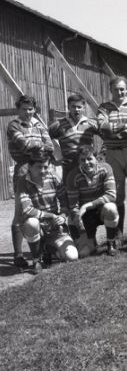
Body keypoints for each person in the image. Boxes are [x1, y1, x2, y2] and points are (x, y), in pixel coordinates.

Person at [96, 76, 127, 245]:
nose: (119, 92)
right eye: (116, 89)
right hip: (113, 154)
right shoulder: (104, 107)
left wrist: (115, 132)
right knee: (116, 195)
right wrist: (125, 126)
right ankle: (118, 235)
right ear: (111, 90)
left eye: (122, 89)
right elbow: (102, 127)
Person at [7, 95, 54, 269]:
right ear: (18, 109)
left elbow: (50, 146)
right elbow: (23, 145)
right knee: (21, 211)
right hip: (23, 168)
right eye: (24, 109)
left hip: (40, 168)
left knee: (44, 205)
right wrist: (40, 144)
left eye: (31, 109)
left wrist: (36, 145)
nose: (28, 112)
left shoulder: (39, 124)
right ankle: (18, 255)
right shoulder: (14, 125)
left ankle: (43, 251)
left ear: (34, 109)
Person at [18, 150, 78, 273]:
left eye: (45, 167)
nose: (43, 170)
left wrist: (62, 216)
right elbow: (27, 210)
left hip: (54, 228)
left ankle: (48, 249)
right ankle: (36, 260)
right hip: (36, 226)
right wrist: (51, 215)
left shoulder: (54, 177)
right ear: (30, 167)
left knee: (72, 257)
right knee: (31, 222)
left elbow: (65, 203)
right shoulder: (23, 182)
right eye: (39, 167)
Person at [66, 146, 119, 257]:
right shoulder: (72, 176)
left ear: (96, 159)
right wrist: (81, 226)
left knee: (111, 208)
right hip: (84, 215)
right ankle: (90, 241)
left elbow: (111, 195)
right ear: (78, 161)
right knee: (83, 253)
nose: (86, 163)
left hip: (100, 209)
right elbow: (73, 206)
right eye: (82, 160)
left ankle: (111, 243)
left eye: (89, 159)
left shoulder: (106, 168)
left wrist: (88, 205)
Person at [49, 94, 98, 181]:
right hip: (69, 167)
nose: (76, 109)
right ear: (68, 107)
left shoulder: (91, 124)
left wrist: (100, 155)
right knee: (69, 188)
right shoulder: (59, 125)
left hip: (87, 165)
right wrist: (53, 160)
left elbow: (108, 137)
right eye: (73, 107)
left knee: (89, 188)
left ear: (84, 108)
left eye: (79, 107)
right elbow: (44, 140)